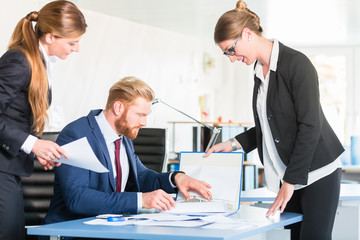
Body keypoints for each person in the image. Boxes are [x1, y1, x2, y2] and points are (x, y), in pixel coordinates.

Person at [204, 1, 344, 239]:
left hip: (318, 170)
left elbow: (310, 126)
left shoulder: (297, 64)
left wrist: (289, 182)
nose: (230, 58)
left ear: (247, 34)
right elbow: (267, 126)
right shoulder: (260, 71)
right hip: (292, 172)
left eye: (230, 50)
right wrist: (233, 144)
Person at [43, 77, 212, 229]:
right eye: (140, 115)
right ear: (118, 107)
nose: (144, 123)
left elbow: (142, 177)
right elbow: (77, 198)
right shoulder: (76, 134)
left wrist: (176, 178)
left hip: (110, 229)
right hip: (71, 231)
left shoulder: (122, 137)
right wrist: (140, 200)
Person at [0, 1, 87, 239]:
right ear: (50, 37)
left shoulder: (38, 62)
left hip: (10, 167)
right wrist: (33, 144)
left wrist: (36, 149)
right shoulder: (18, 62)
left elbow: (13, 116)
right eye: (72, 42)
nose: (76, 48)